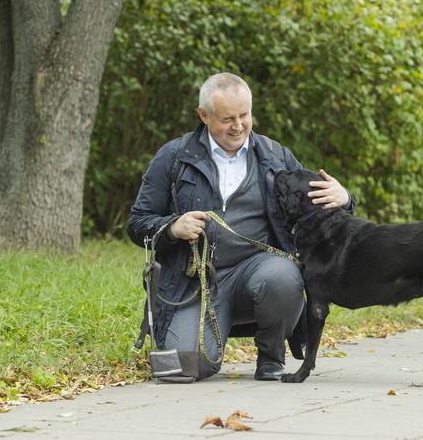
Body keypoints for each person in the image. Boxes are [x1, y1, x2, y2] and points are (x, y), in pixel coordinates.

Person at [127, 72, 355, 381]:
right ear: (203, 115)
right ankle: (208, 334)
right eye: (227, 118)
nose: (238, 126)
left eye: (244, 115)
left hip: (257, 272)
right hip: (192, 283)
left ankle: (271, 357)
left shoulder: (275, 156)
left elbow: (318, 209)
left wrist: (344, 199)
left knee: (283, 276)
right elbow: (138, 223)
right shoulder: (174, 156)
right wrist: (171, 227)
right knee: (182, 370)